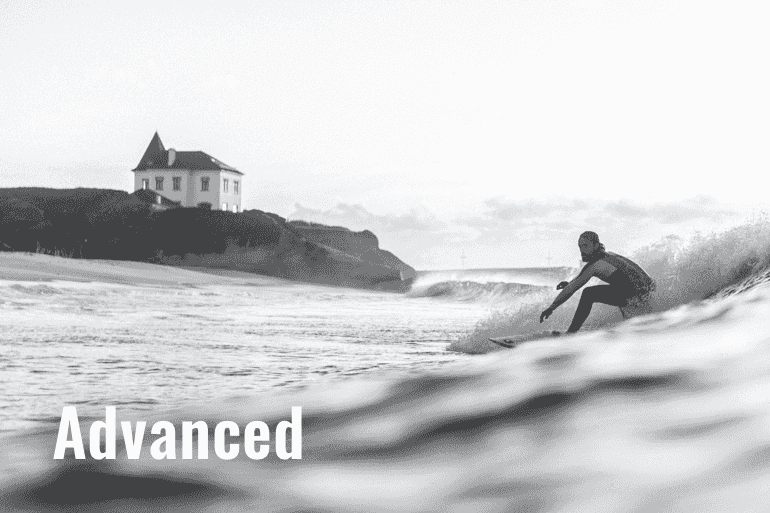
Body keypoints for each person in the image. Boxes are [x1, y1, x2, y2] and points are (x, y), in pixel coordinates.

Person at [540, 231, 655, 333]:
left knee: (589, 293)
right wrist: (570, 284)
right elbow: (634, 272)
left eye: (585, 246)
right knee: (617, 287)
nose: (581, 250)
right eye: (580, 246)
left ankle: (571, 333)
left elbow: (573, 288)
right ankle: (630, 324)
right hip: (646, 291)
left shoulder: (594, 265)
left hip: (636, 295)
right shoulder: (611, 255)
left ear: (595, 245)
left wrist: (551, 307)